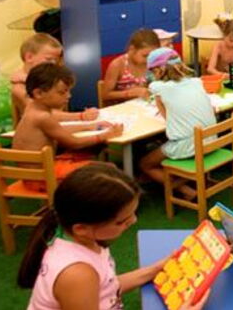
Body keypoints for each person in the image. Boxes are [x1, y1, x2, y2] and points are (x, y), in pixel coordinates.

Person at [19, 163, 208, 310]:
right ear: (82, 228)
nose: (133, 221)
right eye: (121, 221)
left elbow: (107, 287)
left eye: (133, 214)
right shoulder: (77, 274)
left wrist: (155, 270)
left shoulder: (81, 239)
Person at [12, 64, 123, 189]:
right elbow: (74, 143)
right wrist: (105, 135)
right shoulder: (42, 117)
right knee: (108, 170)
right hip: (42, 178)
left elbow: (58, 130)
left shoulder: (33, 108)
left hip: (35, 174)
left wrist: (90, 126)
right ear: (39, 93)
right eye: (62, 92)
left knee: (88, 156)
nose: (68, 96)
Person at [138, 48, 217, 200]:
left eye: (152, 71)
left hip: (188, 146)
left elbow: (167, 118)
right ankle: (189, 181)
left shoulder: (157, 87)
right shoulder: (196, 82)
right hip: (211, 141)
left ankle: (186, 190)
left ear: (159, 70)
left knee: (145, 164)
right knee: (168, 141)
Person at [11, 33, 96, 123]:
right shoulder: (19, 87)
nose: (54, 64)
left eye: (56, 60)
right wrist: (81, 116)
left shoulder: (50, 78)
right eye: (49, 59)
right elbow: (43, 115)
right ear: (29, 57)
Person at [101, 28, 159, 104]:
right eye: (145, 56)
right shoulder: (118, 65)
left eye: (152, 56)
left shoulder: (152, 63)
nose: (148, 59)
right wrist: (129, 93)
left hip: (145, 105)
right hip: (123, 107)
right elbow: (105, 95)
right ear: (132, 49)